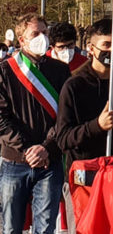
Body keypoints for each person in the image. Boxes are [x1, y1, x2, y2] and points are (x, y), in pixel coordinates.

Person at [0, 13, 70, 234]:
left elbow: (66, 116)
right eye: (36, 33)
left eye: (45, 32)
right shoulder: (4, 70)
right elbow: (1, 119)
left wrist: (46, 148)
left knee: (45, 228)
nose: (43, 37)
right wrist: (27, 149)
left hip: (49, 161)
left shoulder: (60, 70)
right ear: (22, 40)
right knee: (11, 227)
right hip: (14, 161)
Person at [55, 19, 113, 170]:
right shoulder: (74, 86)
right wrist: (97, 126)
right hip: (85, 172)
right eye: (106, 45)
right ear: (91, 48)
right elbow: (63, 139)